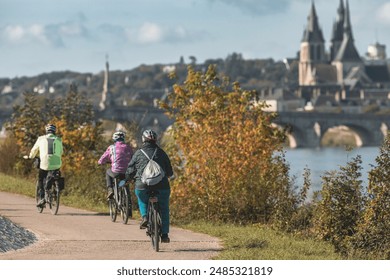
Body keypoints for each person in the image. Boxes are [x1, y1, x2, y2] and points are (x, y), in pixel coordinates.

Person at [125, 129, 173, 243]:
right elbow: (170, 172)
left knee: (142, 199)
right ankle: (165, 235)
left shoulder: (138, 153)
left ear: (143, 140)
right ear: (155, 140)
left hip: (143, 185)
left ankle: (145, 217)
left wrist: (127, 179)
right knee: (164, 208)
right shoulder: (161, 152)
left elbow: (130, 169)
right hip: (162, 187)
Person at [29, 124, 63, 207]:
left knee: (41, 178)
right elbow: (61, 152)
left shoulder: (41, 139)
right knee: (56, 174)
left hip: (44, 163)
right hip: (57, 163)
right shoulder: (59, 139)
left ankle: (42, 198)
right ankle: (56, 192)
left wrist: (31, 156)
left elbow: (34, 151)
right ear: (54, 131)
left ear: (46, 131)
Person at [98, 131, 133, 199]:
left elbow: (102, 158)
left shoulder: (111, 147)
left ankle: (110, 189)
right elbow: (133, 158)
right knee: (125, 181)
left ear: (114, 139)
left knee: (108, 172)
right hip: (127, 172)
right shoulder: (128, 147)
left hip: (116, 172)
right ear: (123, 139)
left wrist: (100, 162)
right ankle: (127, 196)